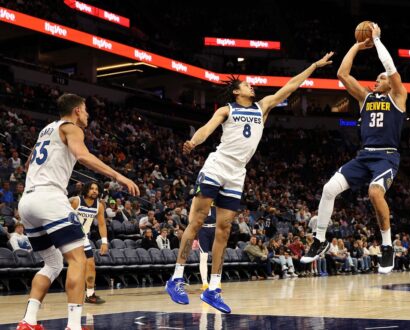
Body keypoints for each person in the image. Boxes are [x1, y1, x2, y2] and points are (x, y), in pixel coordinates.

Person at [165, 52, 334, 313]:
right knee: (197, 222)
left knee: (224, 230)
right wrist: (193, 142)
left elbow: (290, 86)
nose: (251, 85)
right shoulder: (226, 109)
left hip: (237, 173)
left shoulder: (262, 107)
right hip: (217, 166)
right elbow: (207, 129)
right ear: (236, 92)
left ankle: (214, 288)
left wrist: (313, 65)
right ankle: (176, 278)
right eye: (245, 84)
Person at [17, 93, 138, 330]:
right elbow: (82, 156)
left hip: (28, 201)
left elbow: (29, 163)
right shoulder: (71, 127)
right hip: (50, 198)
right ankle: (73, 325)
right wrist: (118, 175)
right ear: (77, 111)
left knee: (52, 264)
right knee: (78, 260)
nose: (88, 114)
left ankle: (28, 321)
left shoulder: (45, 131)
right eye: (86, 110)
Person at [302, 23, 407, 275]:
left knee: (374, 193)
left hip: (386, 156)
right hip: (365, 154)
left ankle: (386, 246)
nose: (377, 80)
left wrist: (378, 41)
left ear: (389, 83)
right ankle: (320, 239)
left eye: (380, 78)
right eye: (376, 78)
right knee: (328, 189)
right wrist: (358, 46)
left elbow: (390, 69)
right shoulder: (365, 98)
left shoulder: (399, 96)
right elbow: (341, 74)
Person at [69, 182, 108, 304]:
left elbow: (102, 224)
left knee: (91, 264)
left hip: (83, 237)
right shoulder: (76, 201)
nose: (94, 191)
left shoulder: (99, 206)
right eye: (91, 189)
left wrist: (104, 242)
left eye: (96, 189)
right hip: (68, 235)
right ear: (86, 190)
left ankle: (90, 294)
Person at [198, 204, 217, 291]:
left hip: (215, 229)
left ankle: (216, 281)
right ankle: (205, 282)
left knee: (217, 257)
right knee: (203, 257)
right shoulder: (199, 206)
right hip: (203, 230)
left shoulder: (216, 205)